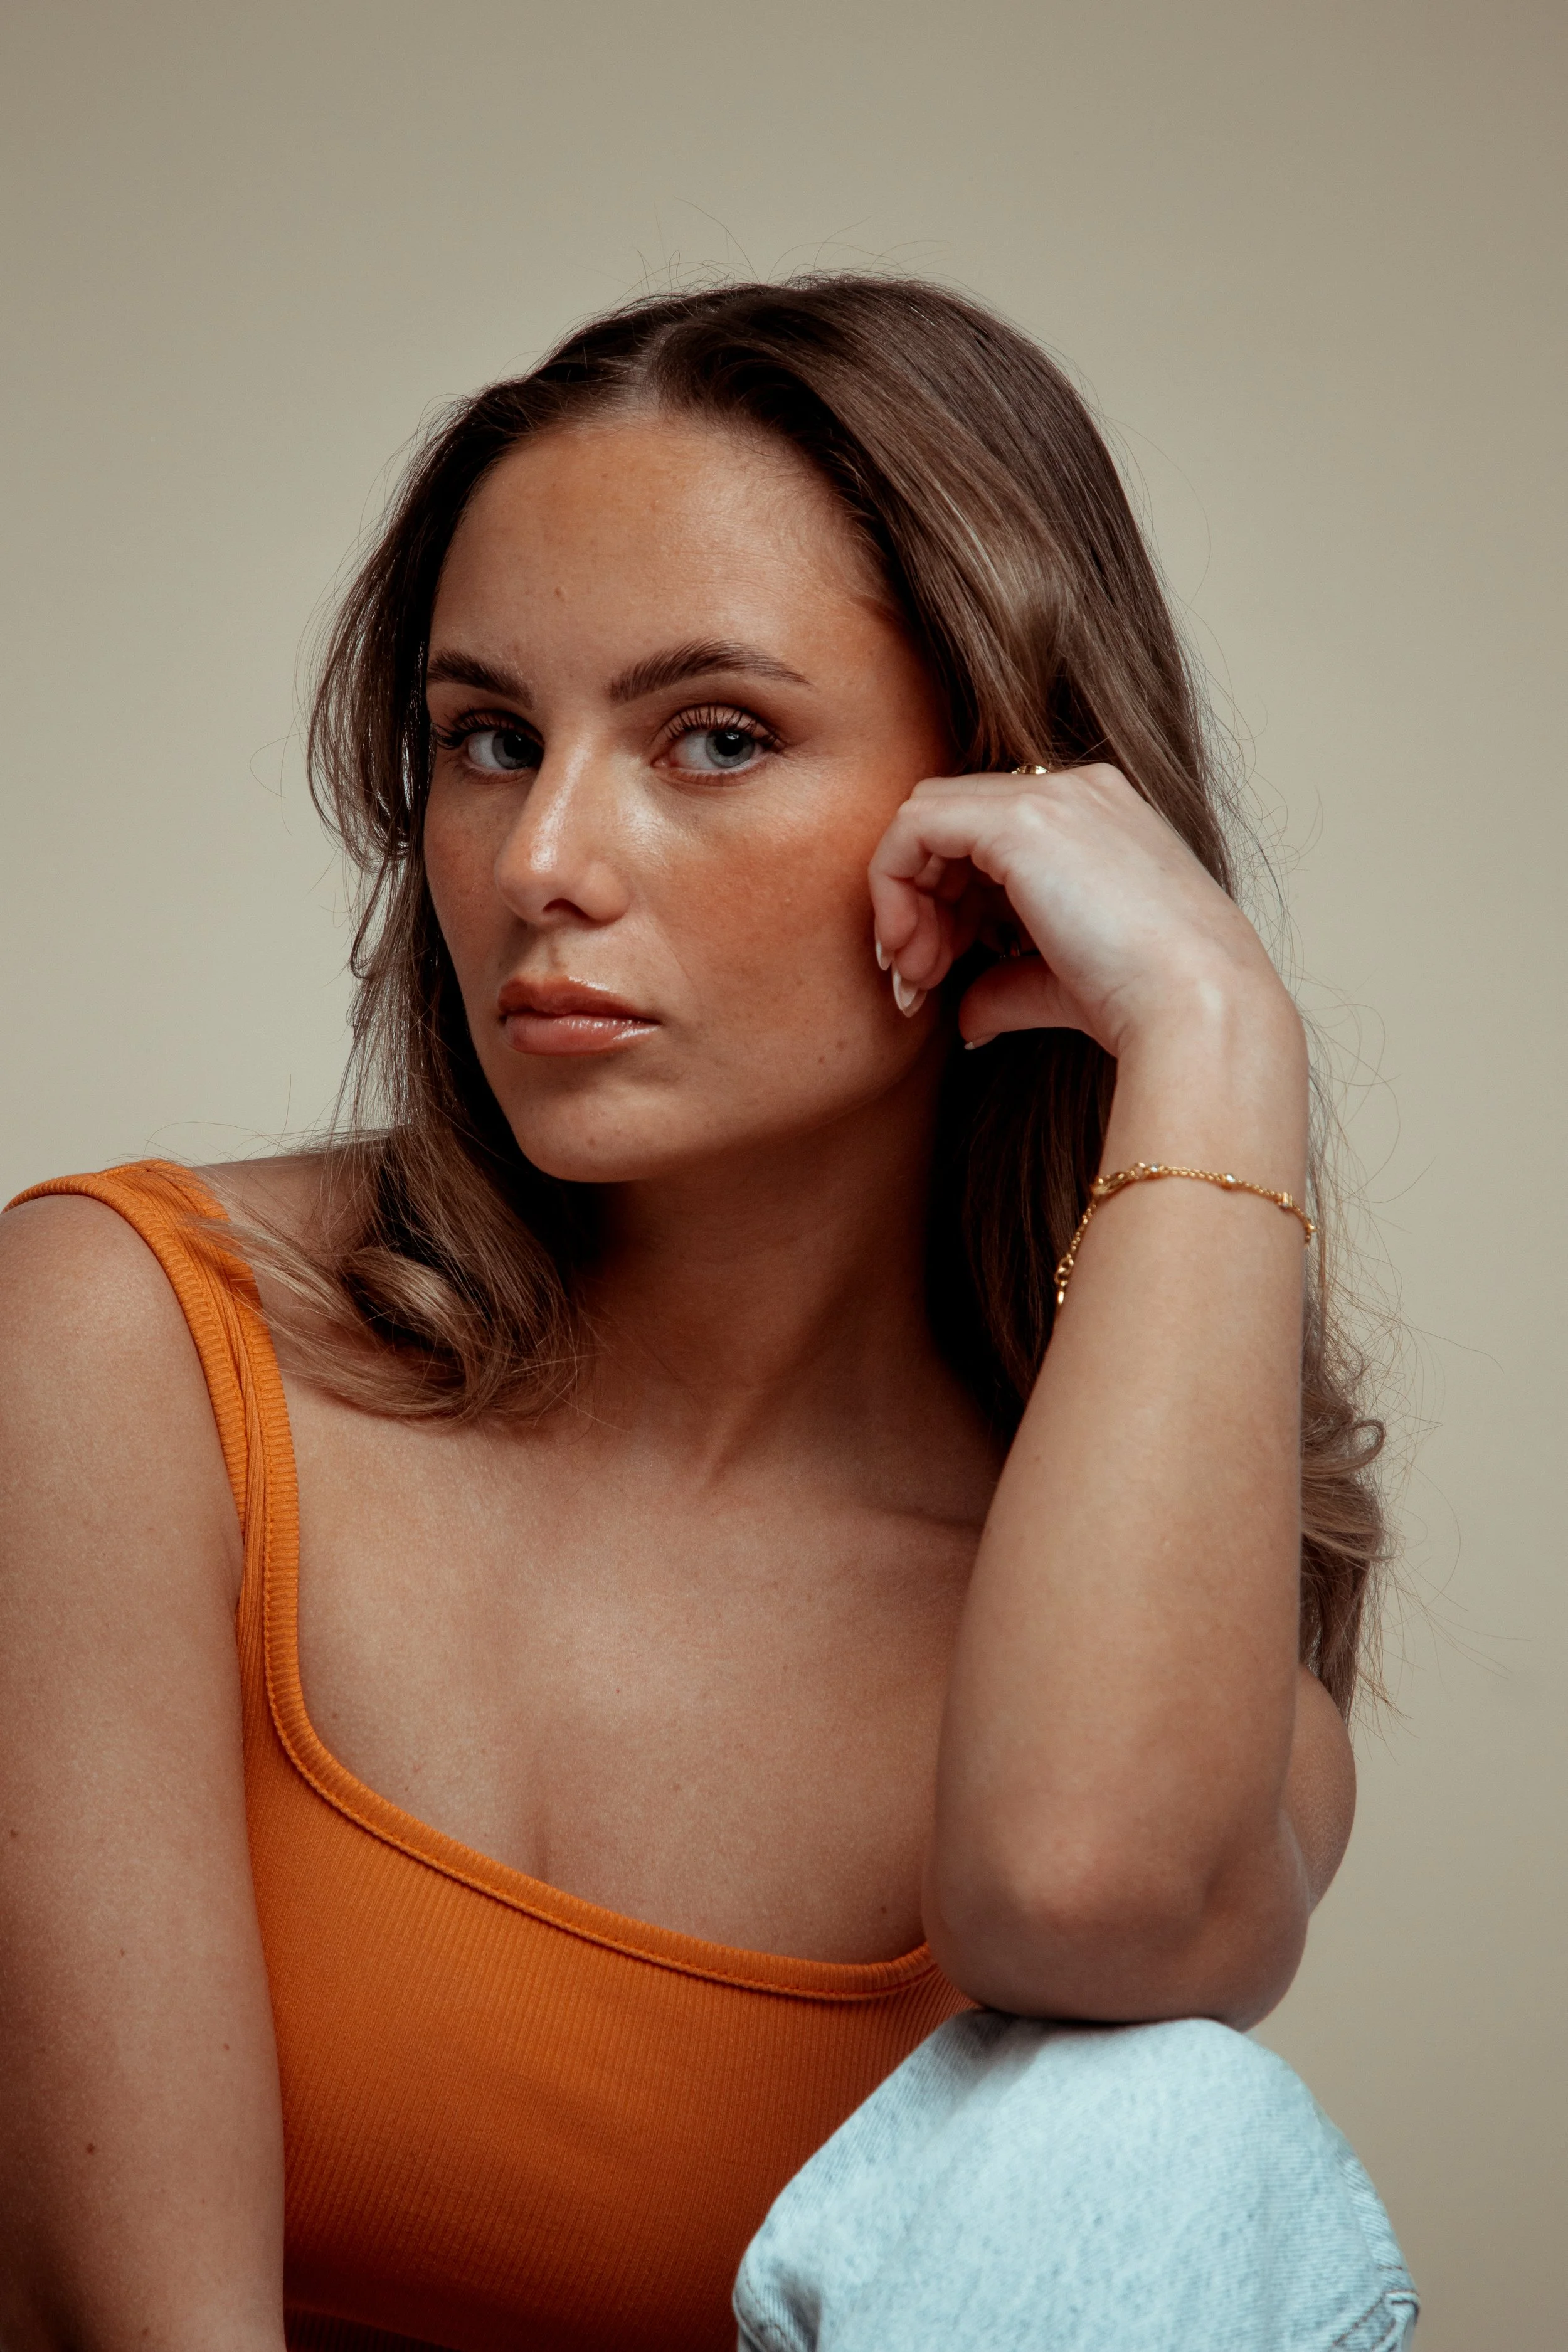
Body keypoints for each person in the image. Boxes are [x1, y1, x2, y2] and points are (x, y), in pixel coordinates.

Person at [0, 277, 1417, 2351]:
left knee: (1160, 2135)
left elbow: (1088, 1901)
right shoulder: (128, 1345)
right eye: (488, 740)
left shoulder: (1141, 1660)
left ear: (1005, 814)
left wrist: (1208, 1034)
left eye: (716, 738)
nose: (540, 859)